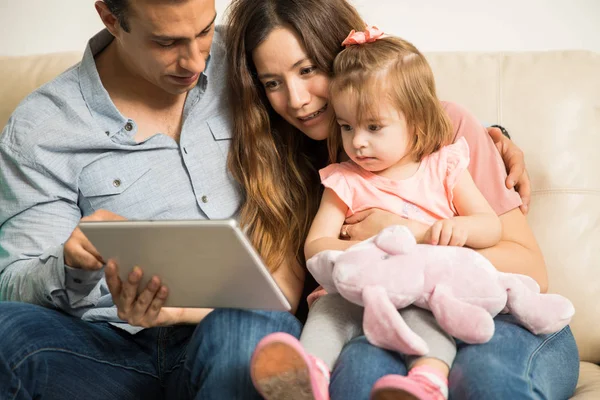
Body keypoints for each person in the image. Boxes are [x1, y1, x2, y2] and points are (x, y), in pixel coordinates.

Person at [223, 0, 579, 399]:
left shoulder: (445, 133)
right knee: (360, 372)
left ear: (344, 57)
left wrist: (410, 235)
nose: (297, 98)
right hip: (386, 317)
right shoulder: (284, 161)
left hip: (502, 316)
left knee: (484, 377)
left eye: (308, 70)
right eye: (272, 82)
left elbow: (531, 266)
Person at [0, 1, 304, 399]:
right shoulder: (43, 125)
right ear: (111, 19)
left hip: (226, 330)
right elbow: (12, 281)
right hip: (103, 346)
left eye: (204, 32)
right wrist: (69, 264)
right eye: (166, 42)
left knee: (253, 330)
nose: (195, 61)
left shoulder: (246, 60)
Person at [249, 27, 507, 400]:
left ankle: (427, 381)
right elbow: (315, 245)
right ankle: (310, 373)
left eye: (373, 127)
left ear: (416, 122)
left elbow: (490, 227)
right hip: (357, 292)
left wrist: (446, 229)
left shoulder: (444, 167)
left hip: (419, 288)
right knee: (329, 312)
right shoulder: (345, 180)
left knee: (433, 314)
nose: (357, 142)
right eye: (347, 127)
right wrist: (359, 251)